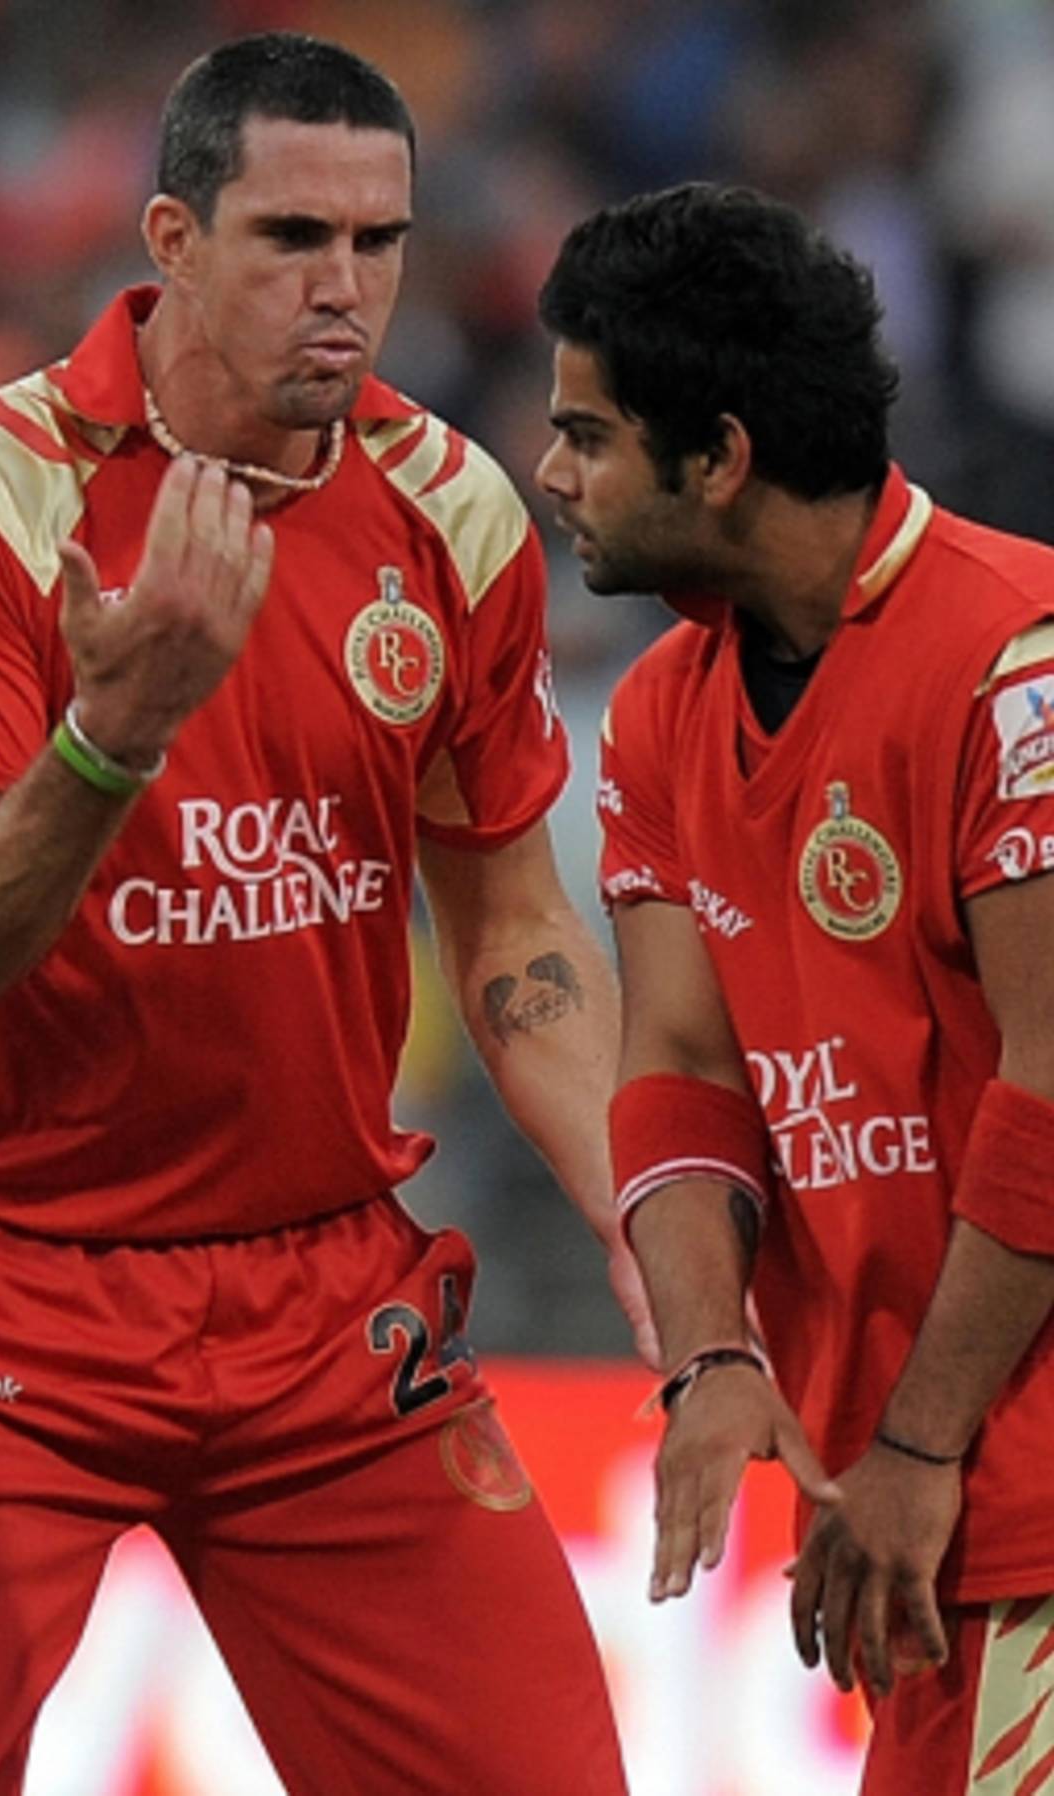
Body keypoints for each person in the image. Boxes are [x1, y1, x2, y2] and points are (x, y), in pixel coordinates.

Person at [0, 32, 643, 1796]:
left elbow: (516, 940)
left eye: (379, 243)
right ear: (170, 240)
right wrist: (114, 736)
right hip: (5, 1298)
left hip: (330, 1305)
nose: (346, 293)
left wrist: (646, 1206)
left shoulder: (450, 510)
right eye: (289, 241)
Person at [535, 181, 1054, 1795]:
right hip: (905, 1515)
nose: (551, 473)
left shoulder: (1018, 656)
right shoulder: (656, 718)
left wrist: (919, 1444)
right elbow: (679, 1070)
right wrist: (712, 1358)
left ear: (723, 456)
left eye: (590, 432)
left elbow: (1053, 1081)